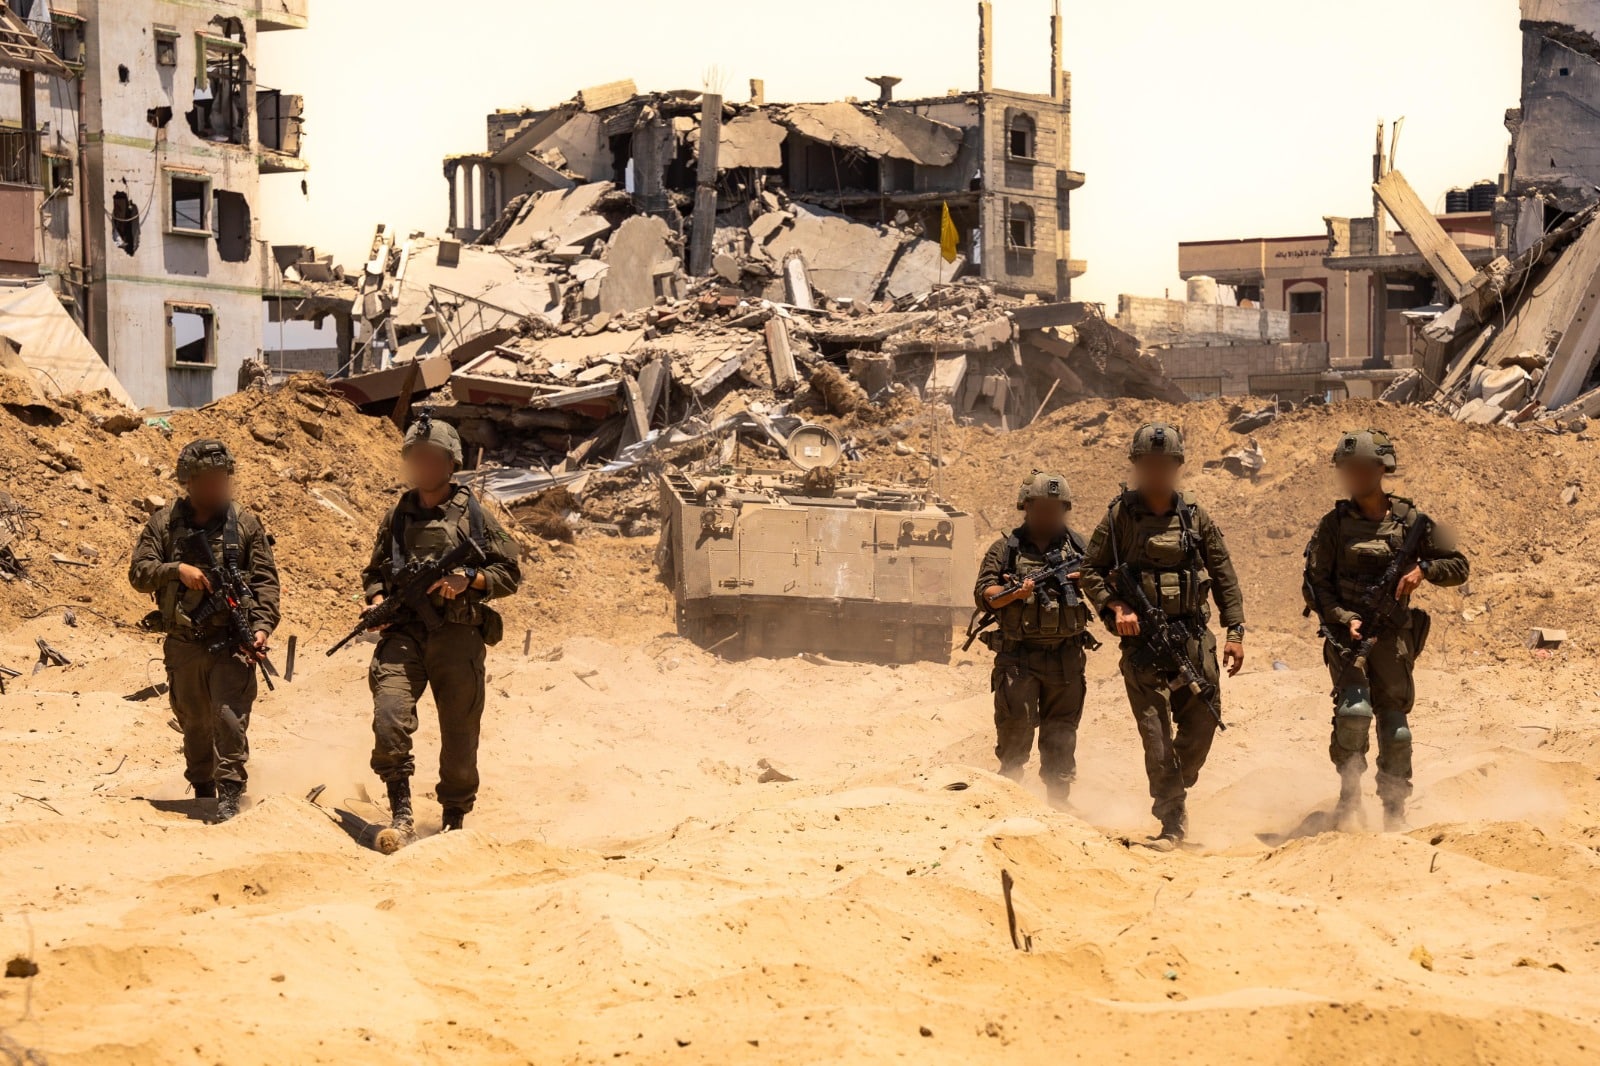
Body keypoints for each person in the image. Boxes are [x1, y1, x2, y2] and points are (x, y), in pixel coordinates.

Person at [1078, 423, 1245, 849]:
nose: (1156, 472)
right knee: (1155, 737)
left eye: (1164, 464)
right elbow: (1090, 570)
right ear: (1137, 465)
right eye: (1148, 464)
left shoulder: (1194, 516)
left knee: (1205, 718)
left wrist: (1235, 630)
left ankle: (1176, 784)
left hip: (1191, 637)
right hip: (1143, 646)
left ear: (1176, 466)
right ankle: (1171, 821)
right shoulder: (1120, 516)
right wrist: (1116, 606)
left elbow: (1223, 573)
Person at [363, 416, 521, 840]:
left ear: (451, 464)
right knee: (389, 719)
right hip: (404, 635)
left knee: (460, 736)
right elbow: (374, 573)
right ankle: (400, 813)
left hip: (457, 637)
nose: (424, 466)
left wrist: (470, 578)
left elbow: (511, 571)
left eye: (433, 458)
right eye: (416, 458)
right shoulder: (396, 515)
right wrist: (378, 602)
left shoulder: (476, 516)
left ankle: (454, 817)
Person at [1303, 429, 1468, 831]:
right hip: (1349, 639)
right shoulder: (1334, 525)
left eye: (1362, 468)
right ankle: (1348, 798)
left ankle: (1394, 811)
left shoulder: (1410, 521)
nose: (1354, 476)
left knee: (1396, 732)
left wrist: (1424, 569)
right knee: (1354, 713)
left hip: (1392, 640)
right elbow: (1314, 585)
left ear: (1381, 469)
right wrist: (1344, 617)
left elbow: (1459, 566)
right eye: (1348, 469)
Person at [129, 439, 279, 823]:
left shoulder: (244, 524)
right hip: (184, 644)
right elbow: (139, 574)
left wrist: (262, 627)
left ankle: (230, 795)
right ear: (189, 481)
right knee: (194, 723)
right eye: (208, 479)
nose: (217, 486)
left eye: (221, 478)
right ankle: (202, 789)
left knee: (229, 719)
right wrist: (176, 570)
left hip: (230, 643)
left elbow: (266, 583)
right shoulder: (164, 524)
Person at [973, 471, 1097, 809]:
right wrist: (1013, 593)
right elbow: (984, 594)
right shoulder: (1005, 550)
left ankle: (1059, 802)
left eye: (1055, 508)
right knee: (1014, 730)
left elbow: (1107, 586)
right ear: (1026, 507)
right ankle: (1007, 800)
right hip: (1019, 657)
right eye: (1041, 507)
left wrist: (1088, 581)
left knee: (1061, 733)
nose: (1048, 515)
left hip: (1066, 658)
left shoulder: (1080, 546)